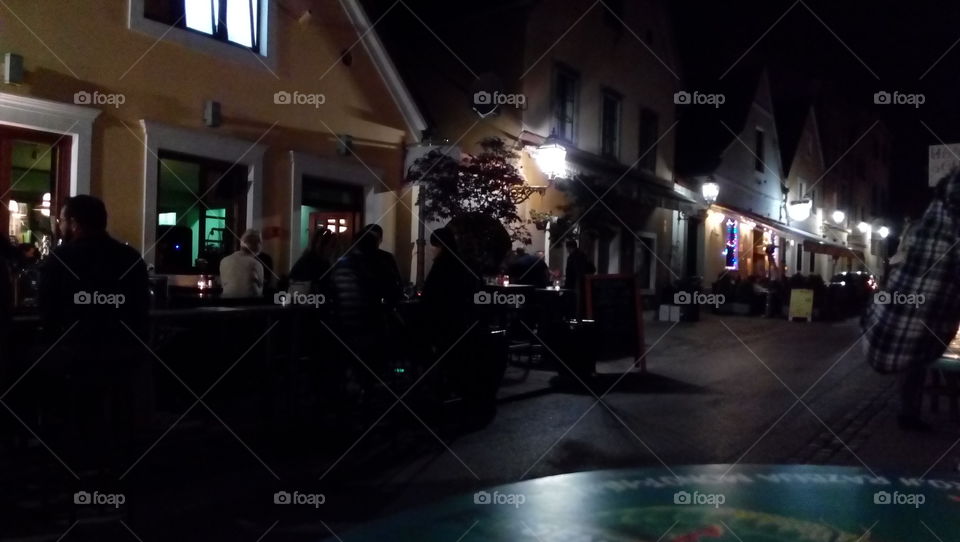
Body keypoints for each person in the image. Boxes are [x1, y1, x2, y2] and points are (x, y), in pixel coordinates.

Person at [38, 195, 151, 470]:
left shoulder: (60, 259)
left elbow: (48, 313)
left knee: (74, 405)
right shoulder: (130, 257)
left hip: (77, 354)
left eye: (62, 220)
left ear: (74, 224)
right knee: (118, 406)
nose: (59, 225)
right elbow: (141, 309)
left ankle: (72, 464)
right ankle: (119, 466)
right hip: (124, 353)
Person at [864, 168, 960, 432]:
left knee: (919, 360)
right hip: (922, 310)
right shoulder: (927, 229)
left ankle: (913, 411)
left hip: (913, 311)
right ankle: (913, 411)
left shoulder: (923, 228)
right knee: (921, 361)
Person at [363, 223, 403, 306]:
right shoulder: (356, 257)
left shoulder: (387, 258)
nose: (371, 241)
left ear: (380, 239)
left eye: (374, 239)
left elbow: (397, 281)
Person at [219, 229, 264, 298]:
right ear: (258, 245)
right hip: (248, 305)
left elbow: (224, 285)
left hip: (225, 304)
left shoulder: (224, 261)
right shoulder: (256, 264)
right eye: (260, 242)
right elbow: (260, 290)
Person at [289, 228, 335, 293]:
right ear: (322, 246)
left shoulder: (306, 260)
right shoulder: (316, 264)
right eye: (332, 246)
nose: (334, 249)